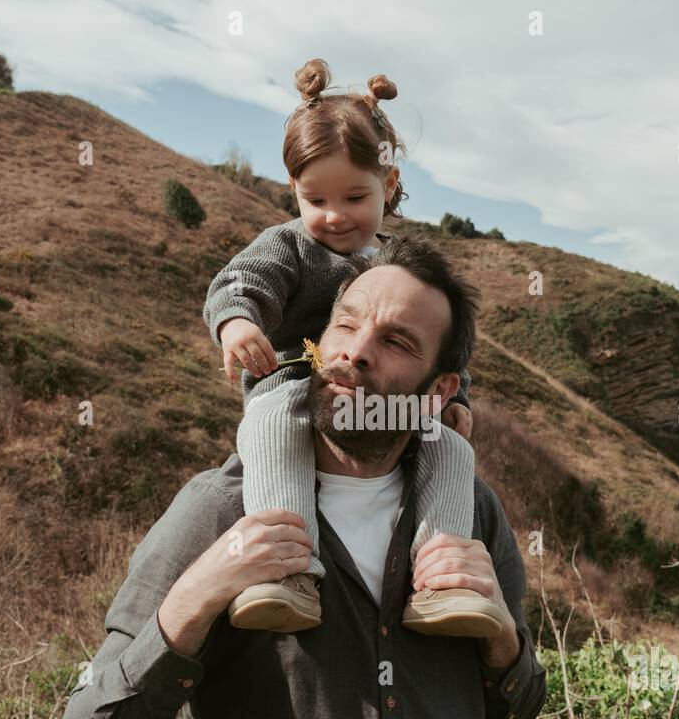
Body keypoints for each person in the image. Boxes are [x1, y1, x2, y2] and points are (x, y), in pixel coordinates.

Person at [60, 235, 548, 719]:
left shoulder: (472, 512)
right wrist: (194, 599)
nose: (356, 352)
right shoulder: (219, 510)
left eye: (396, 341)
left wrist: (501, 637)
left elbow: (514, 718)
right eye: (345, 326)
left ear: (440, 393)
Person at [203, 56, 504, 636]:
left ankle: (442, 580)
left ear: (388, 186)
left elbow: (442, 349)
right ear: (293, 190)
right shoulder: (287, 246)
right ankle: (287, 572)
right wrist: (238, 324)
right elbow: (242, 282)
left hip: (384, 404)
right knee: (270, 430)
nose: (335, 217)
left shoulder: (399, 263)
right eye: (315, 200)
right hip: (292, 386)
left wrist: (457, 396)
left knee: (449, 449)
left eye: (354, 198)